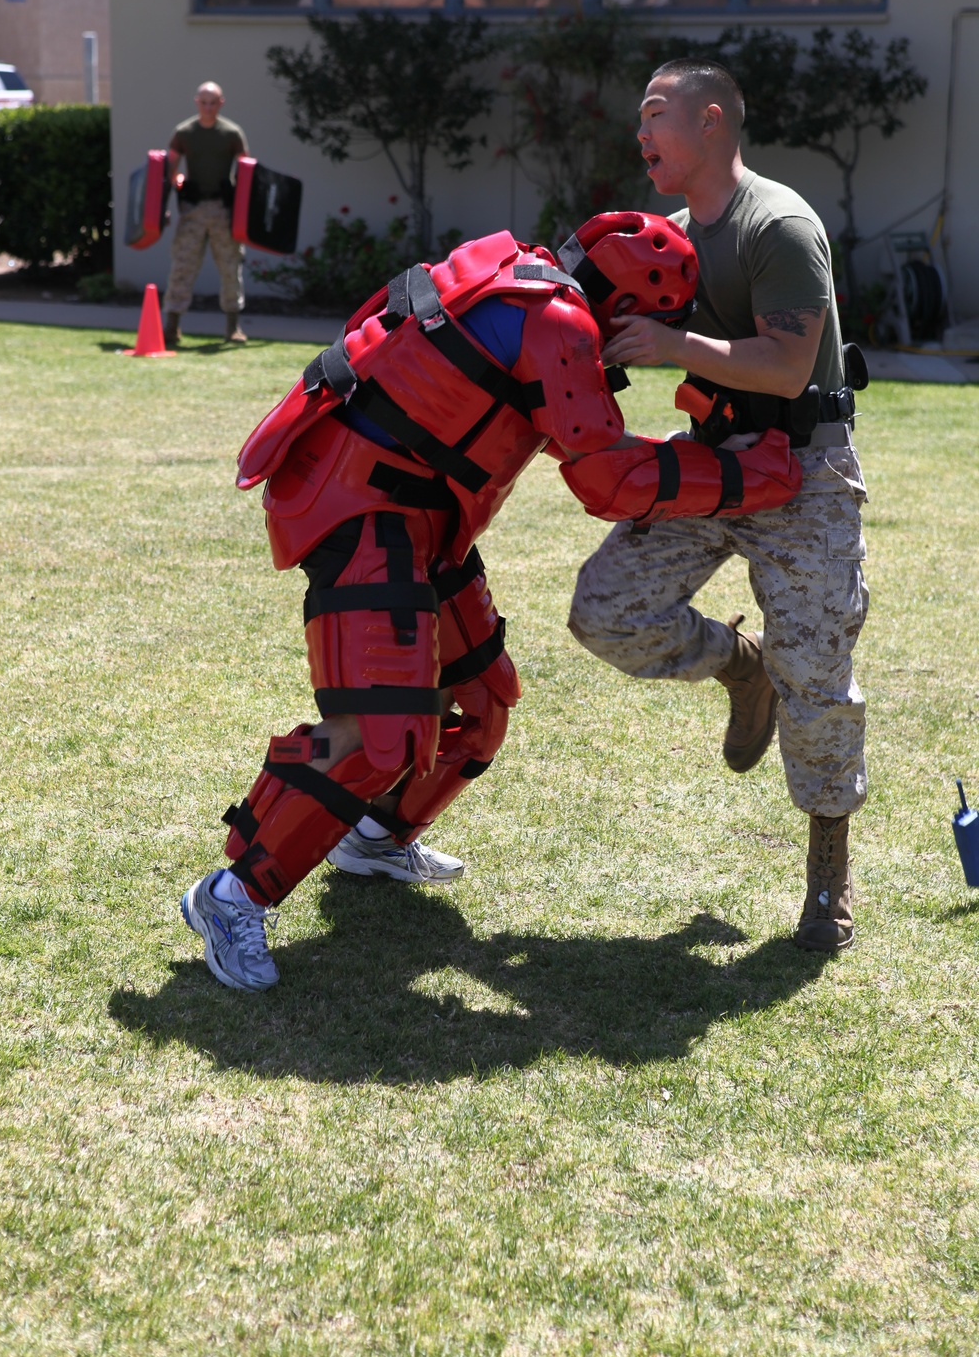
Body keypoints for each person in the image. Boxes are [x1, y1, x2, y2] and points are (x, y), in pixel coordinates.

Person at [179, 216, 802, 991]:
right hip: (366, 511)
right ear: (632, 303)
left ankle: (373, 838)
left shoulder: (521, 277)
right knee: (381, 734)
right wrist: (758, 476)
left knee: (482, 704)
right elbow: (611, 480)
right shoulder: (558, 320)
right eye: (660, 323)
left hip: (419, 515)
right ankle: (233, 894)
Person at [568, 59, 869, 954]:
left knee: (815, 674)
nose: (642, 131)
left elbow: (783, 365)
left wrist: (671, 343)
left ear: (711, 122)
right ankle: (740, 667)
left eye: (656, 112)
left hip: (805, 472)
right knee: (606, 611)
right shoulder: (663, 237)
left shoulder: (779, 225)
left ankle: (827, 879)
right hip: (717, 462)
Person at [162, 81, 248, 348]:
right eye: (204, 102)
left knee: (230, 267)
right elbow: (168, 169)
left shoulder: (231, 133)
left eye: (213, 102)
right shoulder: (184, 132)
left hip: (224, 209)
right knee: (182, 265)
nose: (208, 107)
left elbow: (247, 172)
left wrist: (246, 215)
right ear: (196, 102)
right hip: (193, 209)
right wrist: (164, 202)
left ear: (221, 103)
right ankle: (172, 327)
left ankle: (233, 328)